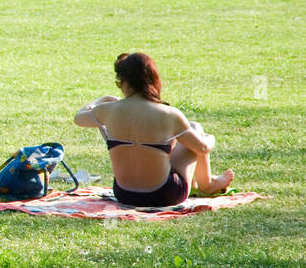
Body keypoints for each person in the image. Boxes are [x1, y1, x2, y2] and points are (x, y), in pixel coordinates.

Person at [74, 52, 234, 207]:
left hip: (124, 194)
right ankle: (207, 184)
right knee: (195, 128)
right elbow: (202, 148)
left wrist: (103, 99)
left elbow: (79, 118)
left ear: (125, 83)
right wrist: (210, 137)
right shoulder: (169, 114)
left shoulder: (107, 110)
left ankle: (209, 182)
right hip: (165, 195)